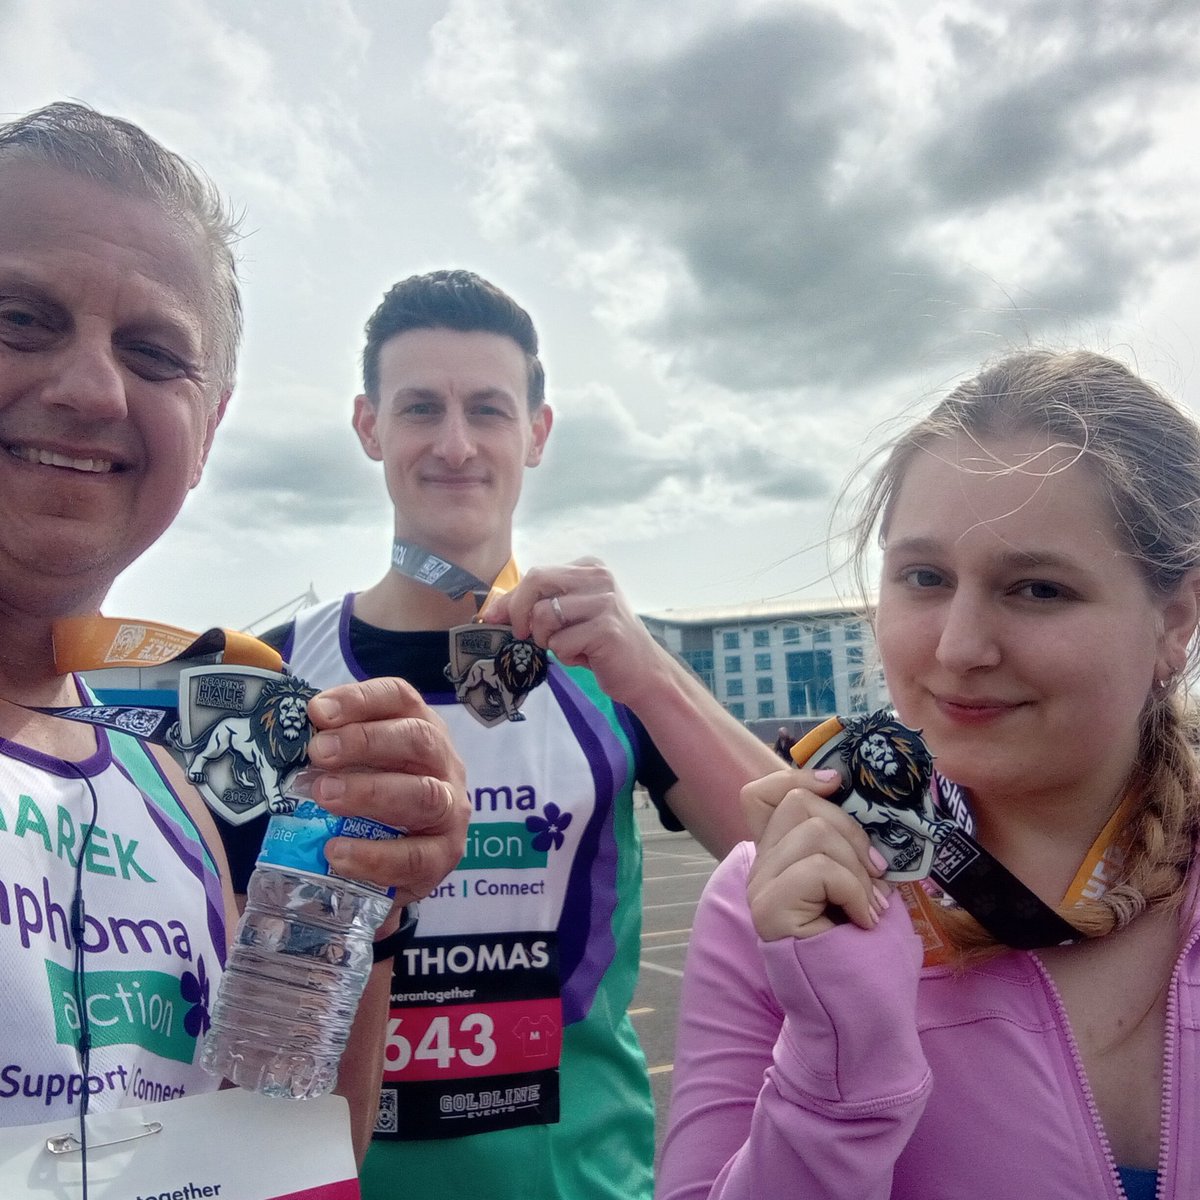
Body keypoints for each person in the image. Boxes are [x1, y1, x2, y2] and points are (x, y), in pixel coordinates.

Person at [216, 269, 778, 1199]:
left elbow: (796, 852)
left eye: (486, 409)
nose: (454, 444)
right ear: (369, 427)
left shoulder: (608, 671)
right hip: (324, 1181)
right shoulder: (269, 677)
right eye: (419, 408)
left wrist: (658, 675)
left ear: (537, 433)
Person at [0, 102, 469, 1163]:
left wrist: (365, 903)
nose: (87, 386)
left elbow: (273, 1163)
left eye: (155, 352)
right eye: (18, 316)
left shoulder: (172, 799)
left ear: (208, 427)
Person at [658, 350, 1200, 1200]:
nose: (957, 648)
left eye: (1038, 589)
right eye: (924, 578)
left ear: (1174, 621)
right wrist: (835, 1074)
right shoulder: (765, 903)